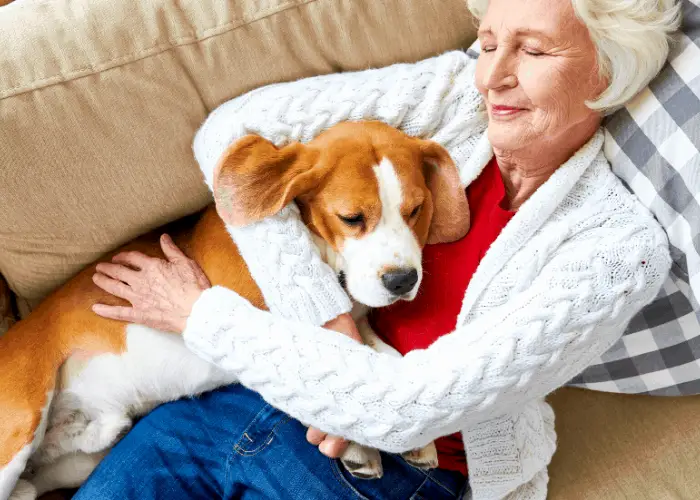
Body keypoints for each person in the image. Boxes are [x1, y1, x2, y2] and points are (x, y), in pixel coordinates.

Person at [77, 0, 680, 498]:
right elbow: (231, 138)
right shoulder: (453, 98)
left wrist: (201, 316)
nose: (492, 75)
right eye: (490, 42)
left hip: (398, 470)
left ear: (608, 69)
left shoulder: (617, 251)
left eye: (534, 49)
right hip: (241, 396)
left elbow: (406, 410)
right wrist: (329, 324)